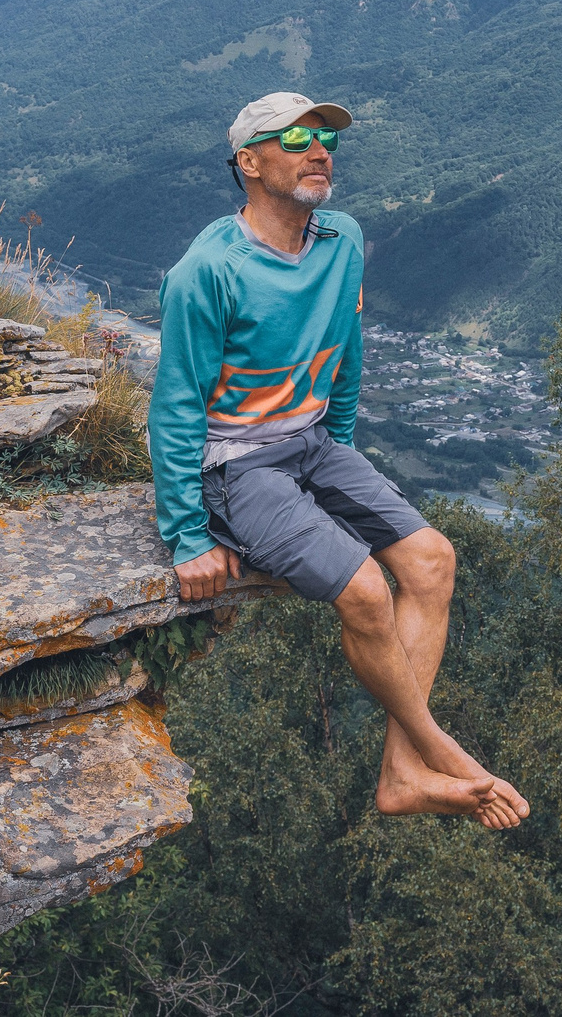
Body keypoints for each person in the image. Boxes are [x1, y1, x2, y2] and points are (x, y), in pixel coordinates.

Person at [150, 91, 529, 830]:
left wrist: (341, 461)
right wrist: (189, 535)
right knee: (365, 590)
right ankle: (438, 748)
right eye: (296, 137)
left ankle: (401, 773)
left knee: (433, 561)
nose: (319, 149)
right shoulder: (208, 271)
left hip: (315, 444)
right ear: (249, 162)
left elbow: (345, 356)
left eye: (326, 138)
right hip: (237, 464)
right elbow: (176, 406)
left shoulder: (343, 241)